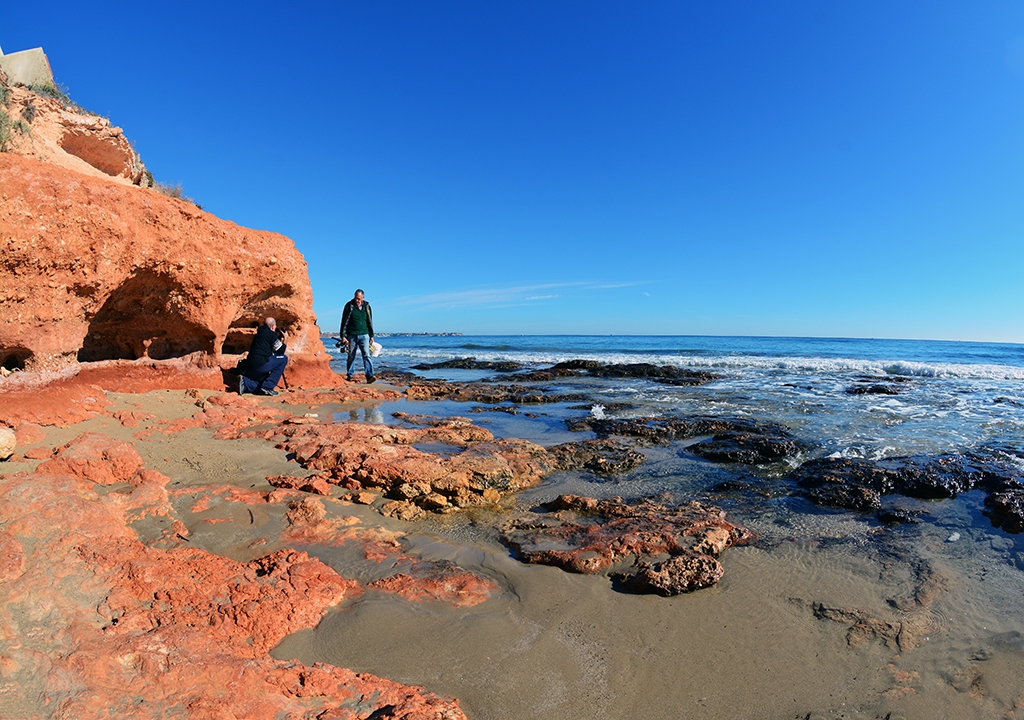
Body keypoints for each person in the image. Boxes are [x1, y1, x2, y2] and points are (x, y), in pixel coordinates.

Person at [238, 317, 288, 396]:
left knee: (262, 383)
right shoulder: (271, 334)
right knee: (284, 359)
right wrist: (285, 339)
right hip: (261, 364)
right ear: (273, 326)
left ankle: (246, 384)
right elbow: (281, 351)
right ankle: (268, 387)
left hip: (250, 365)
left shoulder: (259, 334)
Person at [339, 288, 375, 383]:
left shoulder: (367, 306)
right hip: (352, 335)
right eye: (356, 298)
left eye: (359, 299)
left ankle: (370, 376)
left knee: (366, 355)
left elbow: (370, 321)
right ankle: (350, 375)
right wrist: (343, 335)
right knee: (351, 356)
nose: (357, 300)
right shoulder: (349, 306)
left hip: (364, 334)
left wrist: (371, 335)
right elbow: (344, 321)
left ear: (363, 298)